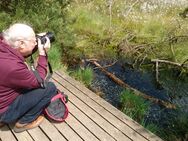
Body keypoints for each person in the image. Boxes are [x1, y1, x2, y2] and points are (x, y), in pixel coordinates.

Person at [0, 23, 57, 132]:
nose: (36, 42)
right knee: (50, 88)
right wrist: (42, 53)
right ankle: (24, 122)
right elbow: (39, 80)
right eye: (33, 40)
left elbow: (20, 50)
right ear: (21, 43)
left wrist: (33, 39)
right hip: (4, 112)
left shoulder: (4, 43)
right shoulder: (13, 67)